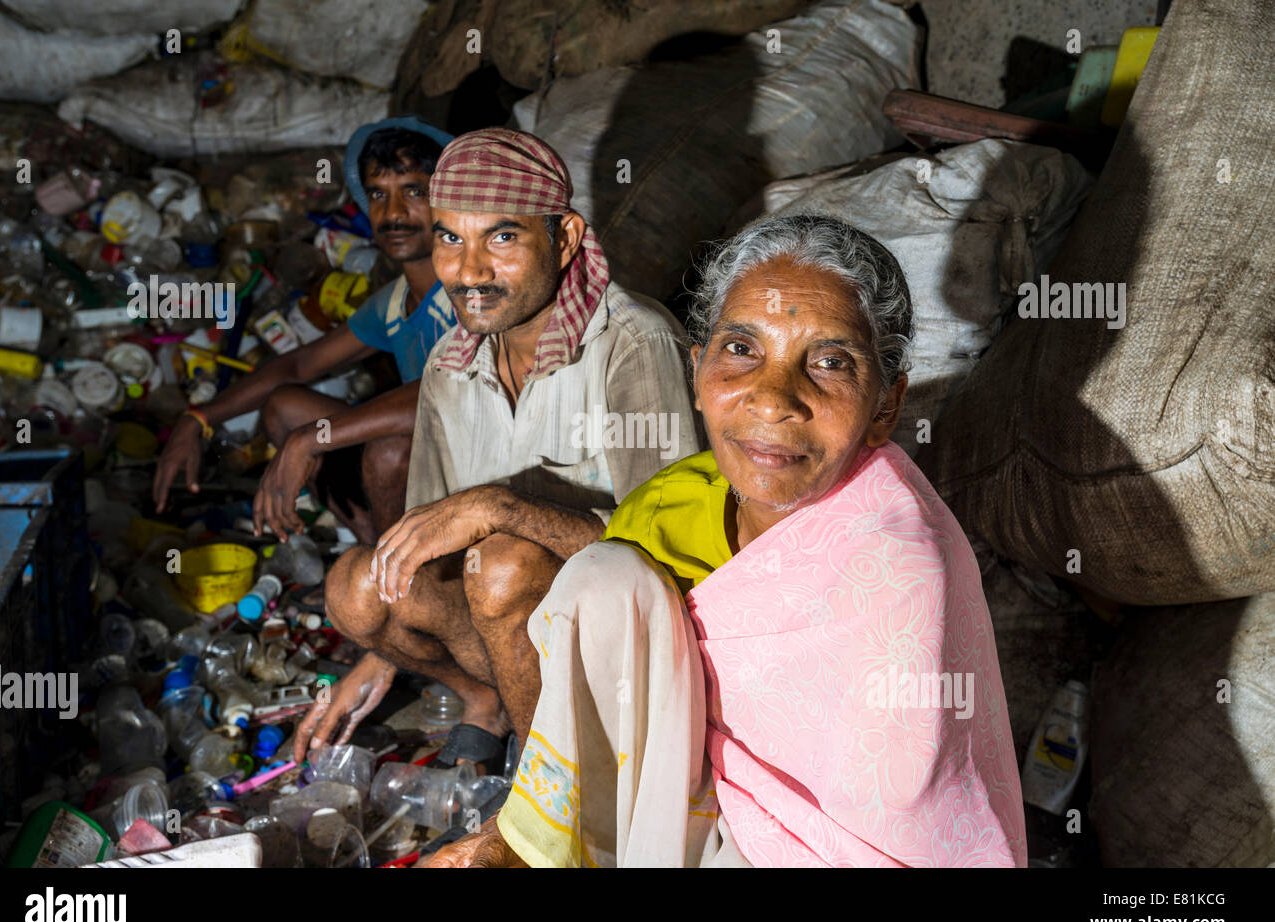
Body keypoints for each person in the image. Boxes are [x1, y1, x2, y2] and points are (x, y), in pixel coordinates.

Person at [426, 214, 1027, 867]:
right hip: (687, 820)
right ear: (697, 371)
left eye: (829, 362)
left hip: (809, 852)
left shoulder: (896, 566)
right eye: (742, 349)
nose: (773, 400)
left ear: (884, 406)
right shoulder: (676, 499)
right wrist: (510, 838)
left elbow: (875, 841)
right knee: (602, 579)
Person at [292, 129, 702, 771]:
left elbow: (675, 552)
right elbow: (425, 548)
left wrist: (503, 510)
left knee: (503, 563)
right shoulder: (449, 366)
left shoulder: (631, 344)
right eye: (451, 238)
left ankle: (557, 791)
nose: (470, 271)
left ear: (563, 240)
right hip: (506, 629)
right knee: (357, 586)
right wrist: (379, 655)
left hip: (627, 638)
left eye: (503, 237)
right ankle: (495, 703)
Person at [153, 117, 455, 545]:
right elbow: (297, 364)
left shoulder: (468, 290)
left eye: (413, 192)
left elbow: (447, 392)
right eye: (377, 194)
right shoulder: (394, 301)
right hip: (432, 459)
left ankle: (401, 595)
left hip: (483, 461)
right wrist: (198, 418)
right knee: (285, 406)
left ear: (448, 199)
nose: (393, 213)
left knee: (388, 450)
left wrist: (310, 440)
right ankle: (373, 552)